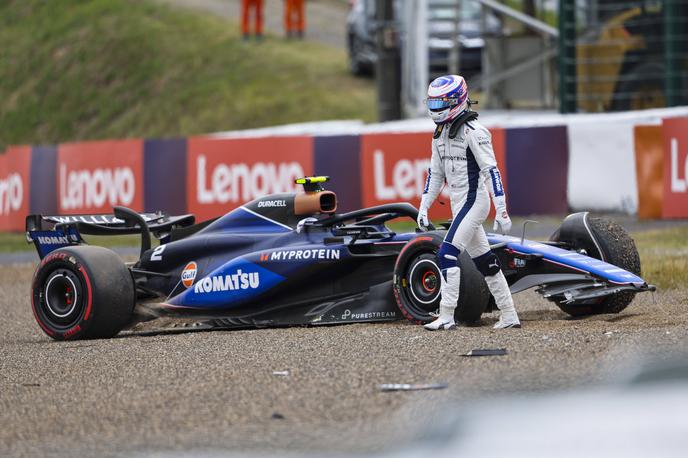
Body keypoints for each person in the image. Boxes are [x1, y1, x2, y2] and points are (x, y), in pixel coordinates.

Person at [418, 74, 521, 331]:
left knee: (447, 253)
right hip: (459, 203)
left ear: (458, 101)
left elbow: (492, 172)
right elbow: (435, 174)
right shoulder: (438, 134)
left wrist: (502, 210)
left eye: (442, 103)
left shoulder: (476, 132)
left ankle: (447, 315)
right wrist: (424, 204)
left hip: (474, 202)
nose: (437, 109)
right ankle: (509, 315)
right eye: (433, 103)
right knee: (486, 261)